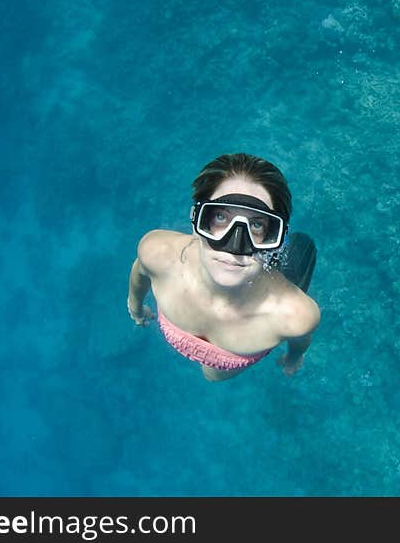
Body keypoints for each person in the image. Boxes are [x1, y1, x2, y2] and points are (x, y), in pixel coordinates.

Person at [126, 153, 320, 381]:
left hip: (227, 361)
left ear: (274, 237)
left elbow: (299, 342)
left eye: (257, 224)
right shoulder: (156, 253)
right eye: (220, 217)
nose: (234, 247)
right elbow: (140, 272)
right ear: (196, 221)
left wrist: (294, 358)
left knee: (212, 376)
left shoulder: (296, 316)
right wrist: (135, 305)